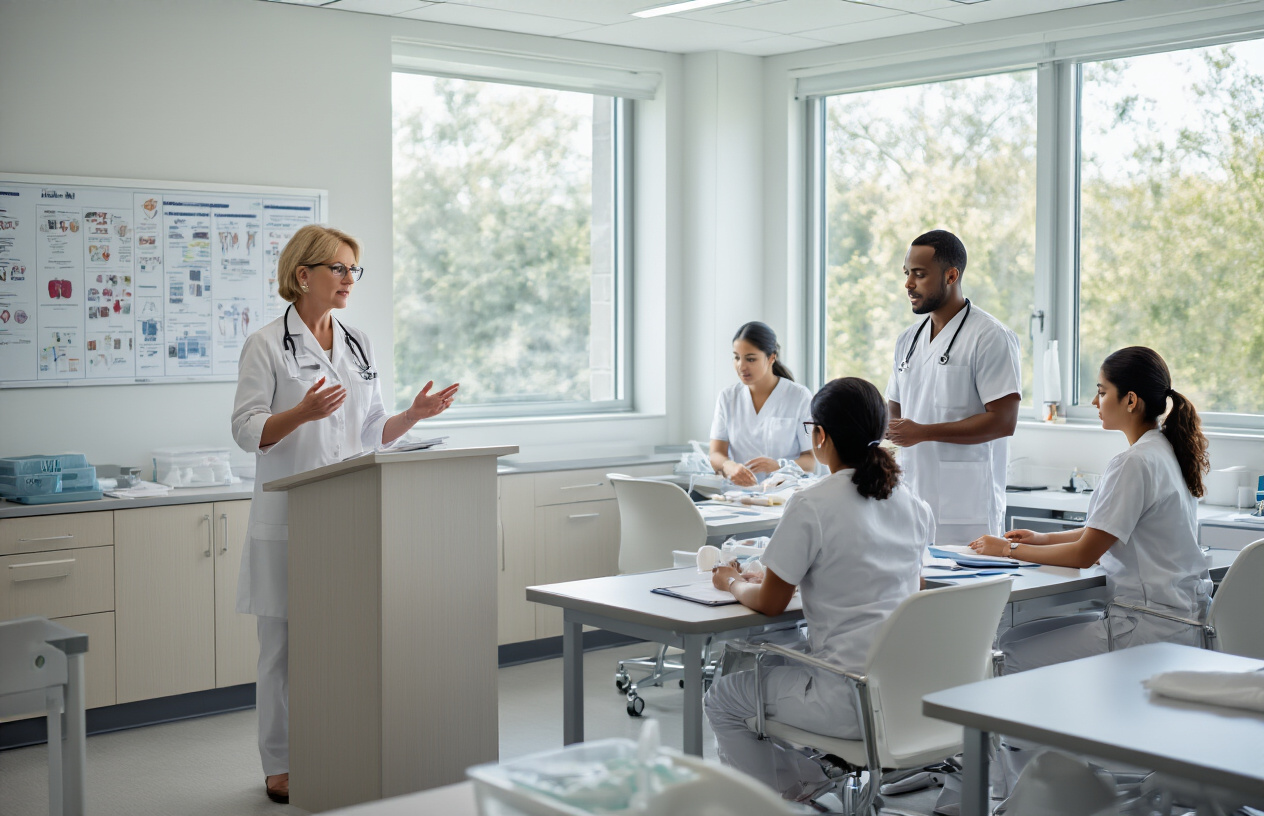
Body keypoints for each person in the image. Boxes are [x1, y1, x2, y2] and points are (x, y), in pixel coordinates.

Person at [231, 224, 458, 804]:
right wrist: (301, 413)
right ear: (303, 274)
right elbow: (246, 429)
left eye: (355, 270)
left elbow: (370, 431)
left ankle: (337, 744)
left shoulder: (358, 343)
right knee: (282, 649)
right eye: (339, 269)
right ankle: (279, 763)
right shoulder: (265, 344)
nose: (349, 280)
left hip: (350, 518)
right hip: (291, 517)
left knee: (343, 642)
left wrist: (414, 414)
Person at [704, 377, 935, 801]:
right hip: (906, 692)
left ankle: (781, 797)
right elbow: (907, 591)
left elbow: (771, 604)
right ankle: (805, 778)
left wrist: (731, 580)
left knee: (724, 696)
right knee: (784, 653)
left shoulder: (812, 503)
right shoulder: (912, 503)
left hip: (848, 697)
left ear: (820, 435)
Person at [970, 346, 1212, 672]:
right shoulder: (1164, 451)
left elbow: (1084, 554)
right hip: (1173, 622)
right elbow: (1103, 533)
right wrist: (1040, 539)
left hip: (1146, 628)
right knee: (1011, 640)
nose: (1095, 402)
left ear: (1130, 400)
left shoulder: (1135, 462)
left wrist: (1007, 549)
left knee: (1006, 655)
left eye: (1101, 392)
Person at [886, 230, 1021, 545]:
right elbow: (894, 410)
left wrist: (924, 432)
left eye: (919, 275)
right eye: (907, 274)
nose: (908, 284)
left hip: (967, 508)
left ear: (951, 275)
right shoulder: (907, 340)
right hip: (910, 499)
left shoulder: (990, 336)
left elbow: (1004, 421)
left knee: (965, 592)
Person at [709, 322, 815, 486]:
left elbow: (811, 459)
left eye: (750, 359)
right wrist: (728, 465)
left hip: (785, 494)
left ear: (772, 357)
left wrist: (779, 466)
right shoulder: (727, 397)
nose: (741, 366)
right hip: (738, 496)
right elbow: (716, 453)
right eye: (737, 357)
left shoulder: (799, 397)